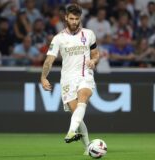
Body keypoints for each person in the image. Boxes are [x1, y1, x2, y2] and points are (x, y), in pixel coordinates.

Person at [41, 4, 99, 155]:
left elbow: (95, 53)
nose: (74, 21)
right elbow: (49, 60)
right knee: (76, 114)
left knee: (83, 98)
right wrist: (43, 77)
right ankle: (88, 148)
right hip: (67, 79)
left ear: (80, 18)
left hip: (85, 74)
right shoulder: (59, 38)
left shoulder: (89, 34)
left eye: (77, 19)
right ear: (66, 18)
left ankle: (71, 132)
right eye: (71, 18)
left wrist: (93, 61)